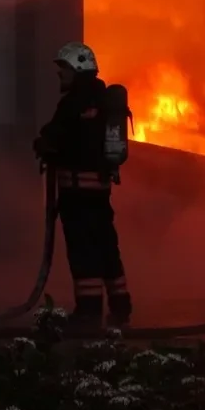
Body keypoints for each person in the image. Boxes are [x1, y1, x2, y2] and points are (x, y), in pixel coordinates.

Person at [32, 41, 133, 328]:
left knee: (83, 251)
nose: (60, 75)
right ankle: (121, 305)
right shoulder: (102, 99)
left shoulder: (74, 101)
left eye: (63, 69)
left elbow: (55, 136)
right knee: (106, 247)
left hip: (77, 193)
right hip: (99, 192)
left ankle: (88, 312)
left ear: (77, 69)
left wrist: (43, 143)